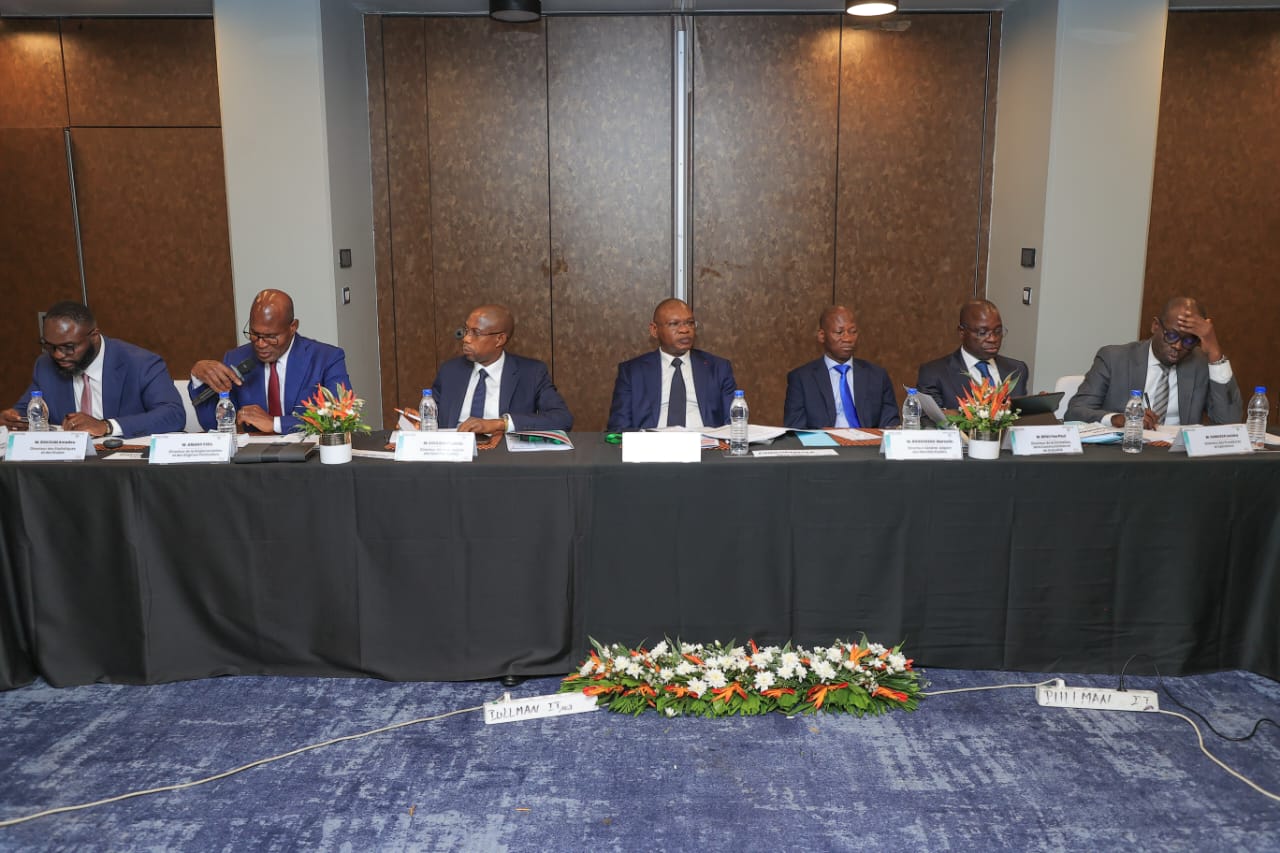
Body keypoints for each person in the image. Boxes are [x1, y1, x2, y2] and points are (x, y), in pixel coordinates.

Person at [1, 301, 185, 438]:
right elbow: (28, 410)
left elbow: (173, 414)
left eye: (68, 347)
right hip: (65, 468)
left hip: (123, 467)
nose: (57, 355)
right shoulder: (45, 365)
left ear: (94, 336)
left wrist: (106, 426)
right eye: (50, 346)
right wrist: (12, 418)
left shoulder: (140, 363)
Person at [189, 289, 351, 434]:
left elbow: (340, 417)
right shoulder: (236, 358)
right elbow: (213, 425)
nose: (260, 344)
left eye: (271, 337)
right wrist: (198, 379)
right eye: (254, 334)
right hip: (254, 456)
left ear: (293, 327)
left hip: (310, 454)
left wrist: (275, 424)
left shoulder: (327, 358)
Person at [1065, 296, 1242, 427]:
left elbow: (1230, 422)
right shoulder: (1114, 358)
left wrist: (1215, 352)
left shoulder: (1200, 364)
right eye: (1171, 336)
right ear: (1155, 326)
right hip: (1126, 453)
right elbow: (1074, 412)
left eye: (1189, 340)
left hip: (1178, 459)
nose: (1178, 346)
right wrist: (1118, 419)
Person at [431, 304, 572, 433]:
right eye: (466, 330)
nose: (466, 339)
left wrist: (501, 424)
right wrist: (422, 420)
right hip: (456, 450)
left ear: (500, 339)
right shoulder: (450, 371)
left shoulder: (531, 373)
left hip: (504, 451)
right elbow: (431, 413)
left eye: (476, 333)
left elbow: (562, 418)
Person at [607, 298, 736, 431]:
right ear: (654, 330)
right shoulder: (632, 371)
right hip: (652, 442)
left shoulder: (718, 368)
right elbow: (618, 427)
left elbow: (734, 424)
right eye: (674, 324)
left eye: (690, 323)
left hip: (704, 441)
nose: (685, 330)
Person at [783, 305, 900, 429]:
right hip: (823, 441)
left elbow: (890, 426)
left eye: (853, 332)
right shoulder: (801, 379)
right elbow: (797, 430)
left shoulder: (877, 376)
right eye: (839, 332)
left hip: (868, 441)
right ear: (822, 336)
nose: (848, 339)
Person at [916, 299, 1029, 411]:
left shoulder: (1017, 369)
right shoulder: (934, 374)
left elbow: (1023, 416)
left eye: (998, 331)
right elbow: (931, 419)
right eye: (982, 333)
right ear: (962, 332)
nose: (993, 339)